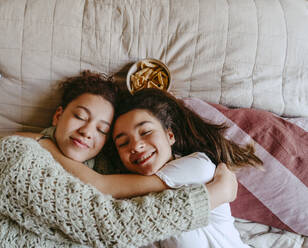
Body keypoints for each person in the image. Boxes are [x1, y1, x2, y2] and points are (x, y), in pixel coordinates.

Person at [0, 72, 238, 248]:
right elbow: (111, 226)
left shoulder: (103, 169)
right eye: (80, 116)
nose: (86, 131)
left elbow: (108, 190)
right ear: (58, 116)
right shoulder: (16, 154)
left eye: (102, 130)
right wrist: (212, 196)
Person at [36, 88, 263, 247]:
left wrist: (46, 144)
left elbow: (100, 184)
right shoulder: (134, 202)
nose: (136, 145)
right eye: (123, 143)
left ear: (170, 135)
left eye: (145, 132)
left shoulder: (198, 166)